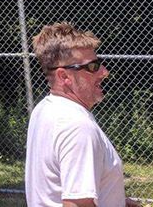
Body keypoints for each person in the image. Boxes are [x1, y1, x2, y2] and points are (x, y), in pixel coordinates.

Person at [26, 22, 141, 207]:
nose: (104, 72)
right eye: (92, 67)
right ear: (64, 77)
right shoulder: (77, 126)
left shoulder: (45, 109)